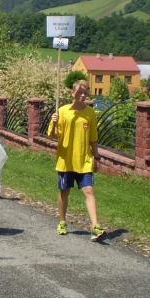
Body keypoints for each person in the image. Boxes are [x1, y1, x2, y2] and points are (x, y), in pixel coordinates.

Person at [48, 79, 107, 242]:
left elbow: (93, 137)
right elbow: (53, 135)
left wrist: (96, 156)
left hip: (84, 160)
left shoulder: (90, 113)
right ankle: (62, 221)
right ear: (73, 93)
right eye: (79, 92)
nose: (82, 95)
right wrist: (53, 123)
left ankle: (95, 226)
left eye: (85, 93)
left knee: (89, 191)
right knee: (64, 192)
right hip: (66, 160)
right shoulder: (63, 111)